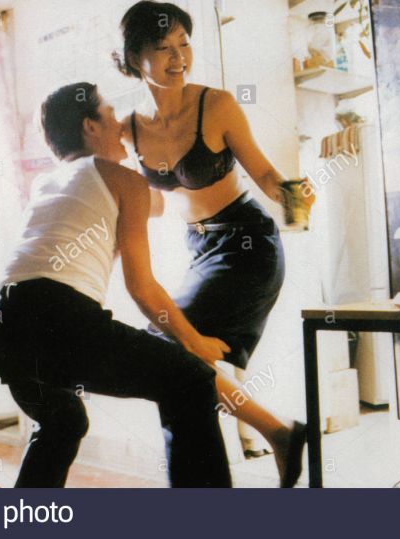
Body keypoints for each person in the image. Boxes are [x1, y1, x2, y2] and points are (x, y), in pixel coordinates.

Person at [0, 82, 232, 488]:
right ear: (90, 126)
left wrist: (149, 152)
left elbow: (156, 202)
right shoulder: (123, 180)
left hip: (3, 330)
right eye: (112, 115)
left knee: (63, 420)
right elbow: (142, 287)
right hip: (59, 319)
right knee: (190, 381)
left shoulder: (46, 183)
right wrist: (194, 341)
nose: (121, 125)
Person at [114, 1, 306, 486]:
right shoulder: (128, 127)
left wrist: (294, 194)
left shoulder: (216, 105)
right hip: (199, 249)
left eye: (184, 44)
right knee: (176, 360)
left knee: (168, 349)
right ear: (135, 57)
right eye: (164, 48)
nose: (179, 57)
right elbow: (151, 200)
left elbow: (265, 173)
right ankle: (277, 434)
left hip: (247, 245)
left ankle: (272, 437)